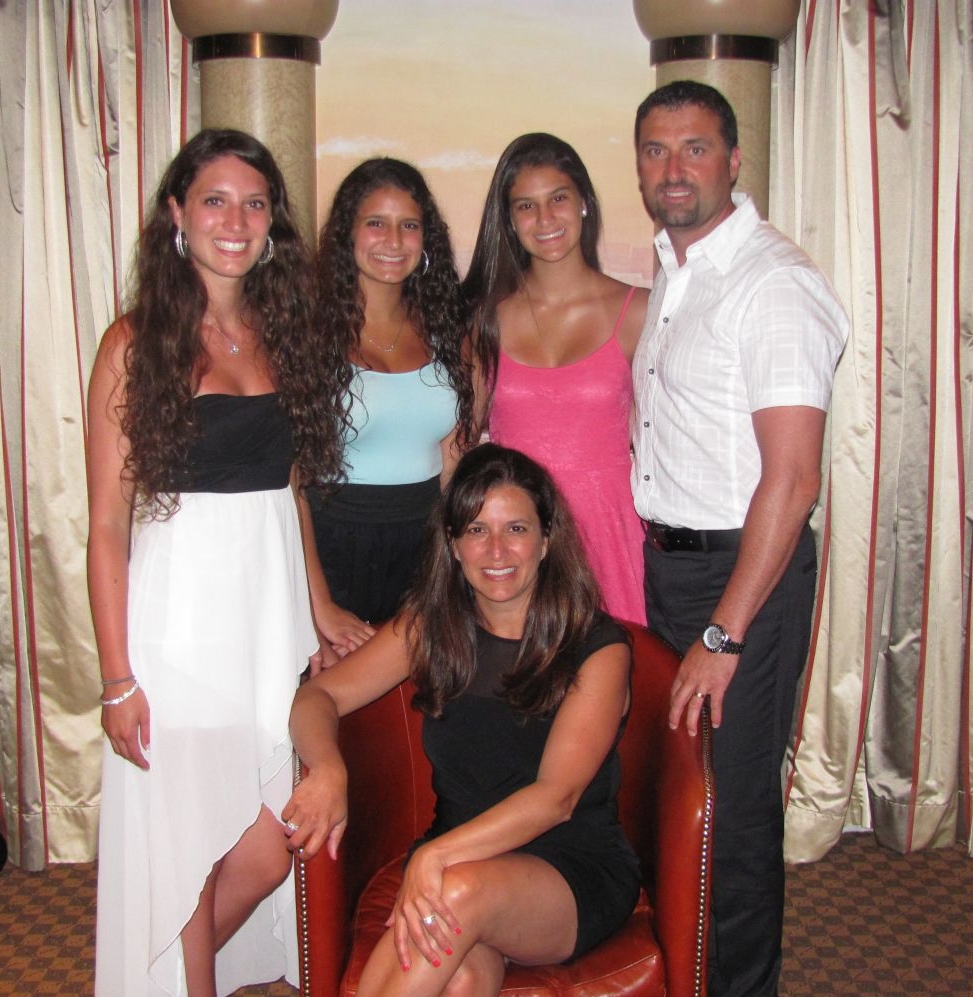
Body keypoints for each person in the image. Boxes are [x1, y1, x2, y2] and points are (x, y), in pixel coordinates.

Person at [86, 128, 356, 996]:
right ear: (176, 212)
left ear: (273, 221)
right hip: (180, 631)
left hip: (264, 627)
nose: (234, 221)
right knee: (191, 849)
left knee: (267, 847)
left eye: (254, 203)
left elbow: (290, 491)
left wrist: (317, 605)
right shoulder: (135, 343)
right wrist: (118, 679)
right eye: (214, 200)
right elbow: (107, 525)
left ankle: (164, 977)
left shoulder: (285, 335)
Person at [631, 81, 849, 997]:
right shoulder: (676, 272)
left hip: (741, 578)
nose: (673, 168)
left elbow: (792, 480)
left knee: (733, 812)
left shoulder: (773, 283)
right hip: (673, 567)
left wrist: (723, 634)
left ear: (732, 159)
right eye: (655, 149)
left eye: (694, 147)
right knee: (687, 795)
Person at [286, 443, 641, 996]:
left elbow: (557, 798)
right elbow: (317, 698)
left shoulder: (596, 647)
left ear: (547, 540)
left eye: (516, 529)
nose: (497, 550)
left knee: (456, 893)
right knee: (462, 979)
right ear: (452, 544)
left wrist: (436, 855)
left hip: (568, 871)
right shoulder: (431, 627)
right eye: (476, 530)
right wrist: (328, 768)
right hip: (455, 863)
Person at [464, 133, 648, 625]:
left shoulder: (639, 311)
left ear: (584, 202)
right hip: (517, 546)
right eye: (526, 205)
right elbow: (459, 446)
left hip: (611, 537)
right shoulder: (486, 322)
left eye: (558, 198)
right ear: (509, 220)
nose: (545, 219)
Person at [307, 158, 477, 626]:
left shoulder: (448, 330)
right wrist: (318, 605)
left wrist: (453, 564)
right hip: (331, 547)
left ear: (426, 238)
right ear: (347, 234)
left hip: (424, 546)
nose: (394, 241)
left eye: (409, 225)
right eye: (376, 223)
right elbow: (292, 484)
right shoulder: (310, 335)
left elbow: (452, 462)